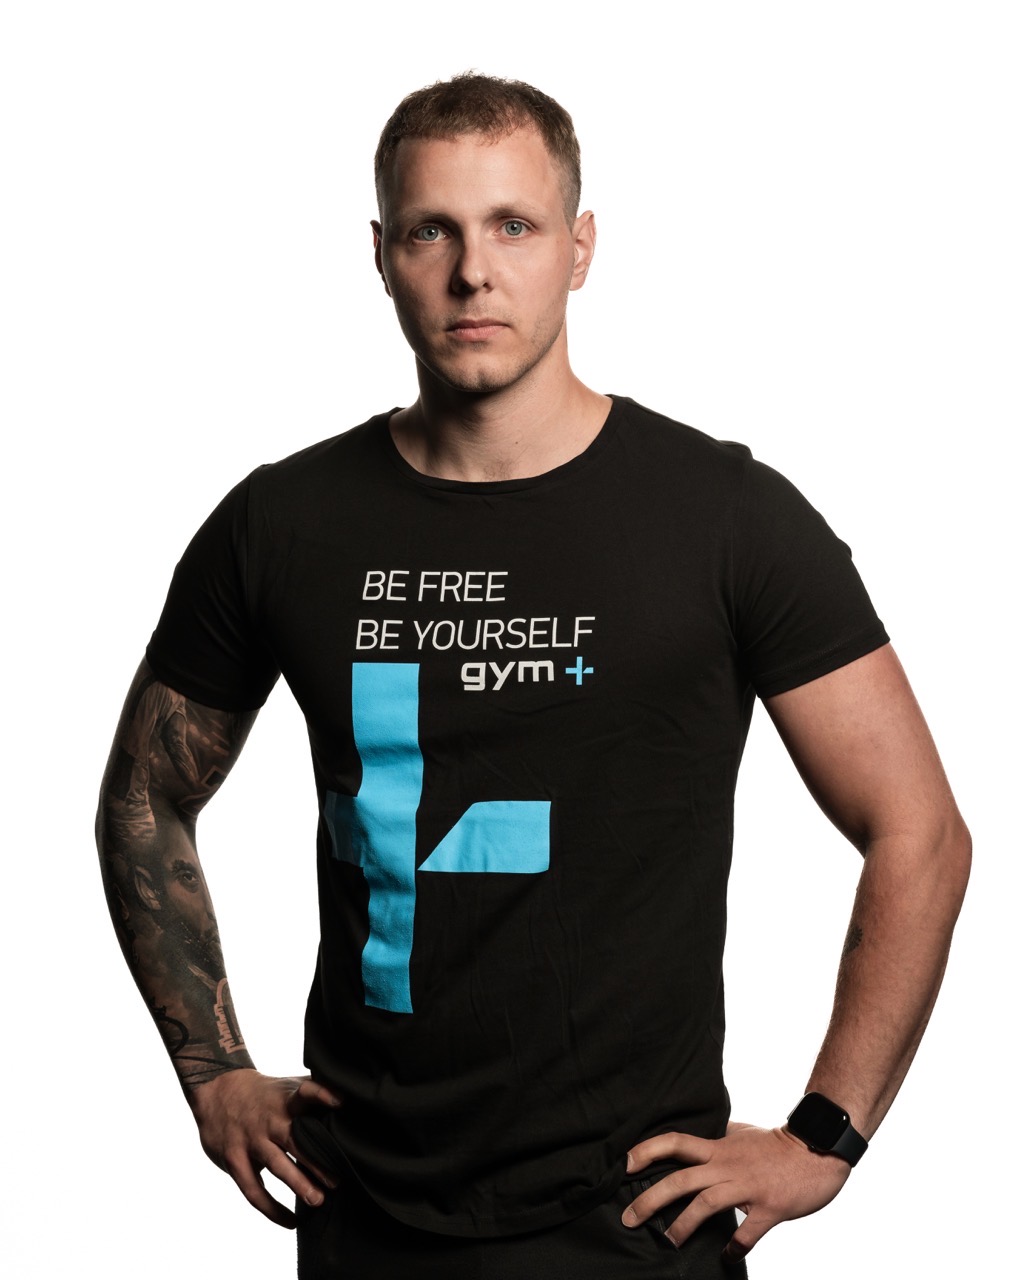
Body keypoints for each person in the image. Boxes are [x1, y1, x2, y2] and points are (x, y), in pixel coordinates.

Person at [97, 73, 971, 1278]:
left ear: (579, 247)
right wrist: (212, 1070)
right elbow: (146, 796)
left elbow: (919, 828)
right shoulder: (280, 523)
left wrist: (824, 1134)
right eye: (431, 231)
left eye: (512, 225)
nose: (473, 272)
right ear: (381, 254)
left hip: (634, 1223)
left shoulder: (724, 518)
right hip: (363, 1210)